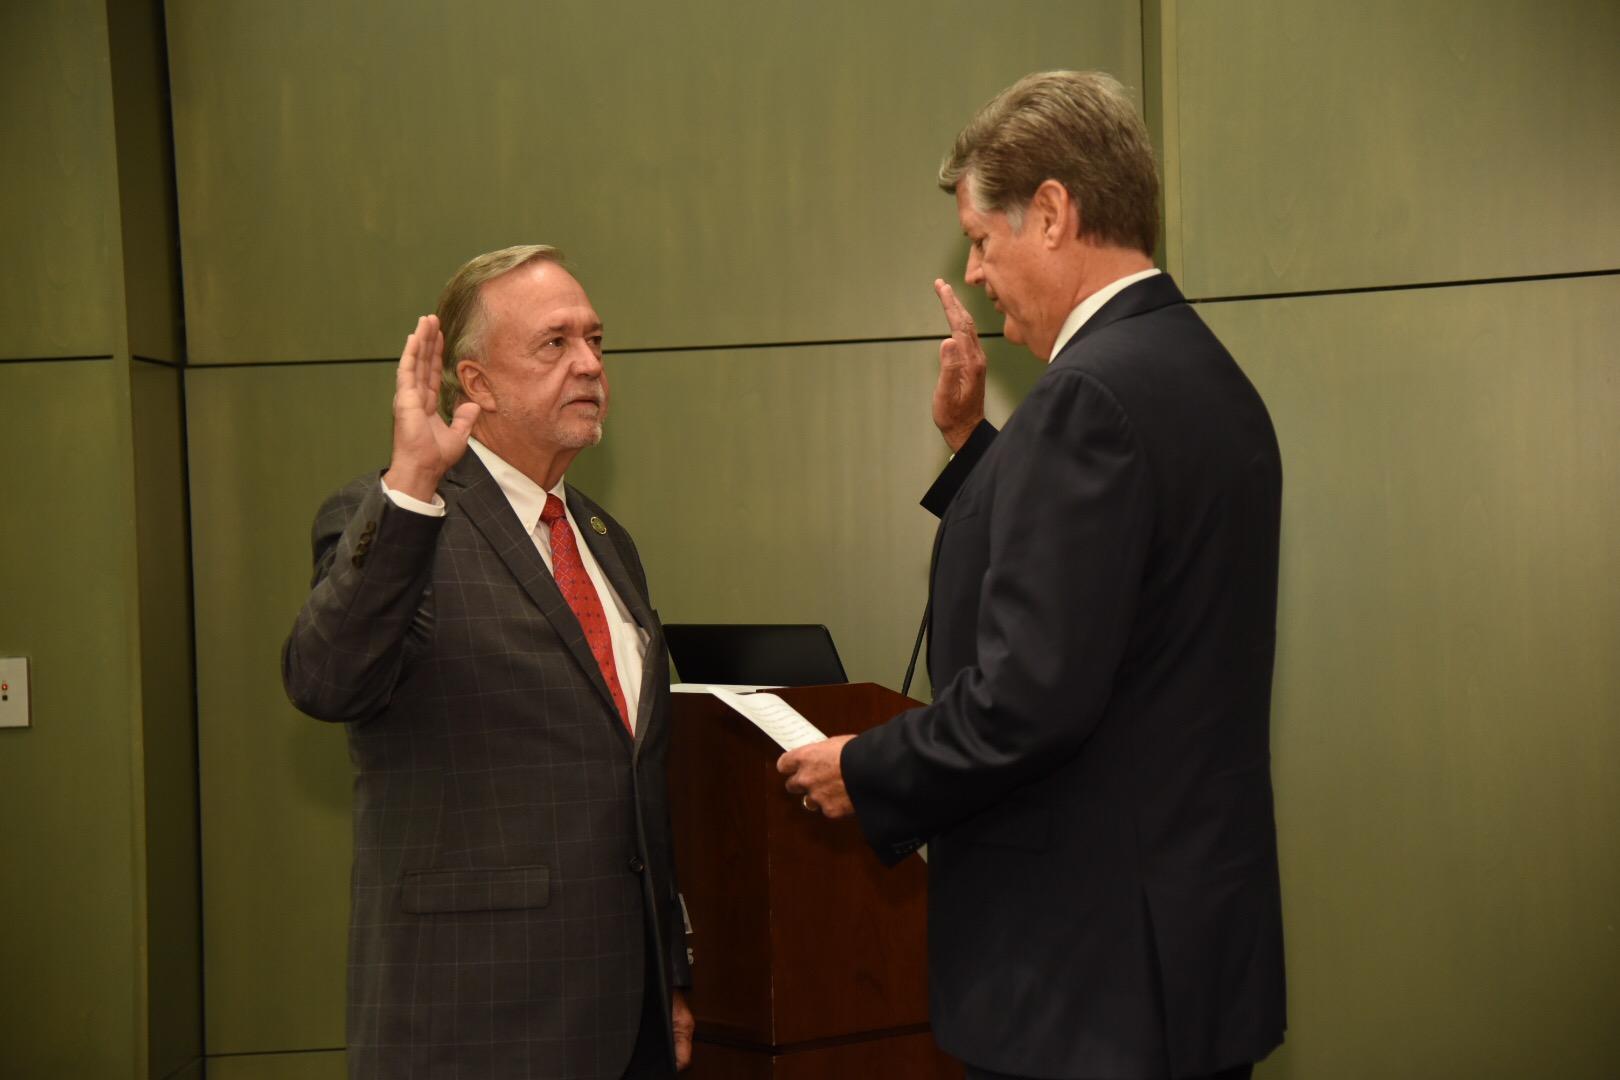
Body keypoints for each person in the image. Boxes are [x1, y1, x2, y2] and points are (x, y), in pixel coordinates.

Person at [778, 71, 1286, 1080]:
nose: (973, 272)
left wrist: (865, 769)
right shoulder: (1204, 376)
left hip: (1086, 985)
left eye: (979, 236)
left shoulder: (1089, 398)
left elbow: (1031, 698)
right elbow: (1120, 594)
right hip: (1181, 966)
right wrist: (972, 450)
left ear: (1051, 212)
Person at [283, 245, 693, 1079]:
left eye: (596, 341)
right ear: (475, 384)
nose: (589, 365)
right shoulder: (401, 521)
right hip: (477, 1023)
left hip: (630, 1021)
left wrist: (671, 976)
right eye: (554, 344)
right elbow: (326, 682)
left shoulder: (608, 542)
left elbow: (631, 777)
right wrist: (407, 492)